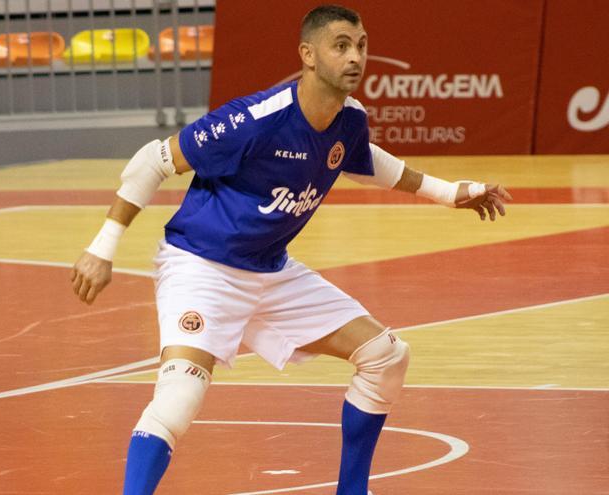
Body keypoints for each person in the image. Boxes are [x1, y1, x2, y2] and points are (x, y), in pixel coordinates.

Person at [71, 4, 512, 494]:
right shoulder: (255, 120)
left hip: (272, 272)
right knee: (178, 398)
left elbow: (370, 161)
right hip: (202, 268)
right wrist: (102, 246)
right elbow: (150, 160)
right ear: (308, 54)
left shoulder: (349, 121)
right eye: (341, 45)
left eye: (362, 45)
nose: (356, 57)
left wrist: (450, 192)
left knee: (386, 356)